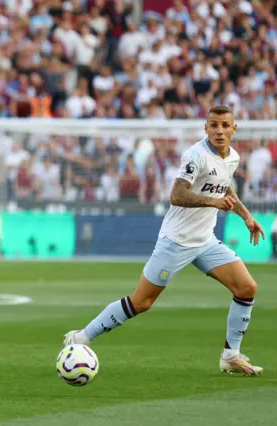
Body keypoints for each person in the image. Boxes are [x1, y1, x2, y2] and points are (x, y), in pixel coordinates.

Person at [63, 105, 265, 376]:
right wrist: (213, 202)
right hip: (177, 240)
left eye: (225, 125)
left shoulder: (232, 158)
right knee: (141, 302)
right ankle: (80, 338)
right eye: (214, 125)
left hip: (205, 241)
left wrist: (246, 216)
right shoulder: (196, 155)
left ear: (234, 129)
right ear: (206, 128)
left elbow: (224, 184)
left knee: (246, 288)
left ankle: (230, 356)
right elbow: (177, 195)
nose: (219, 130)